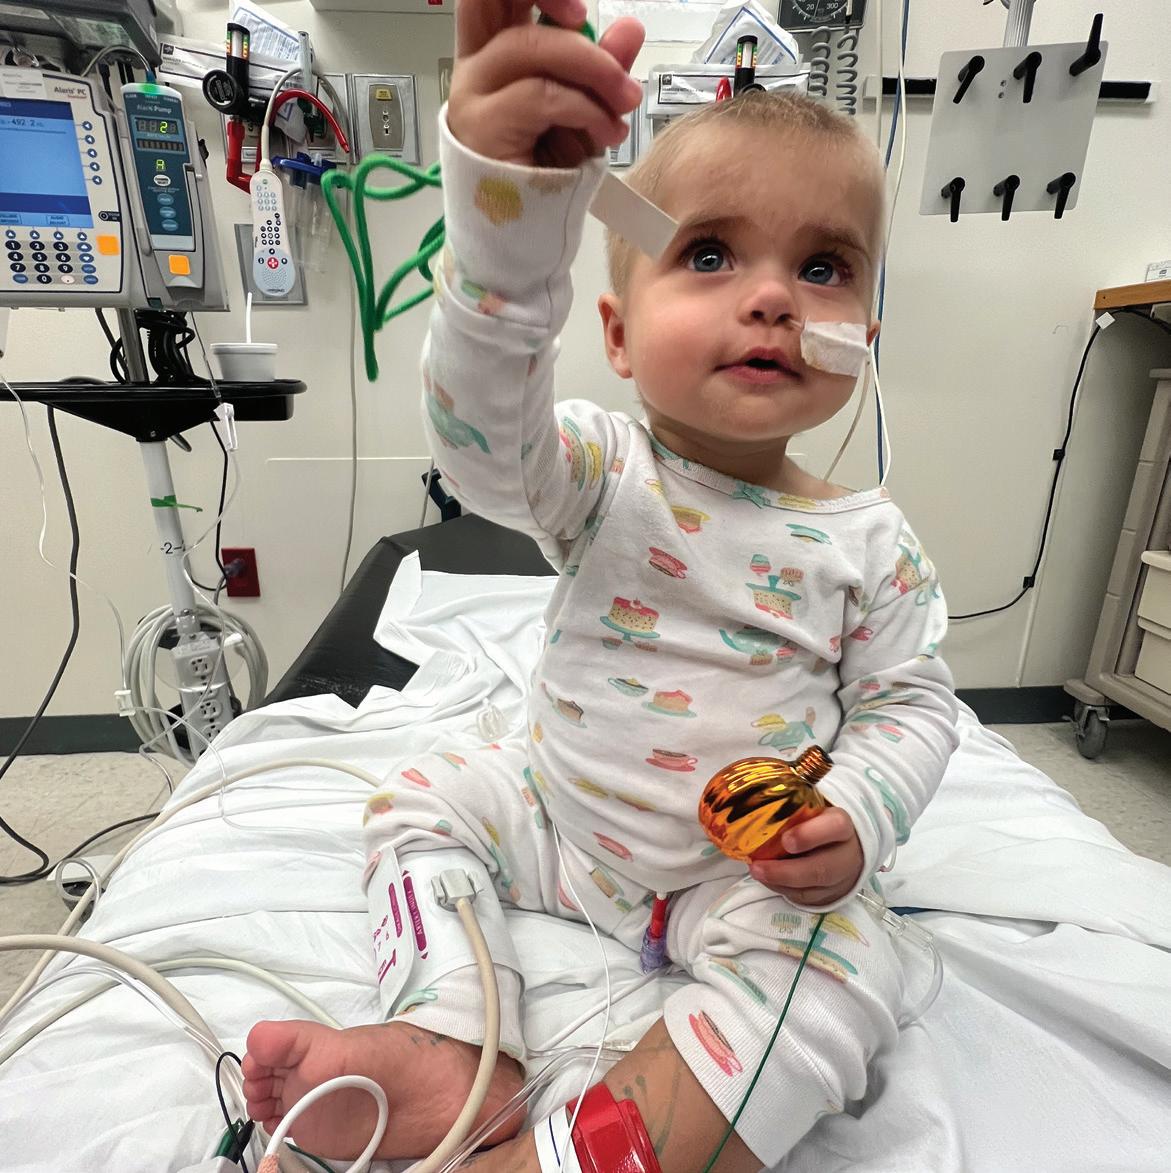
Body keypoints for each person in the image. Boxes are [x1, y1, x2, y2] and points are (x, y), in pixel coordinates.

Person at [242, 1, 959, 1168]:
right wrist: (506, 230)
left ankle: (569, 1153)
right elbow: (479, 438)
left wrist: (860, 814)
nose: (771, 297)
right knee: (418, 800)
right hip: (560, 827)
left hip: (738, 877)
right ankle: (451, 1031)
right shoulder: (599, 469)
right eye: (710, 255)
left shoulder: (870, 542)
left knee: (841, 966)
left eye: (822, 266)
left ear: (862, 335)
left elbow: (909, 707)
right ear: (618, 337)